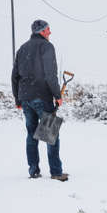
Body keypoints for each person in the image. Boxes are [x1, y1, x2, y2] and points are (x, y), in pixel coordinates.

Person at [12, 19, 69, 182]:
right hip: (42, 96)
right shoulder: (47, 46)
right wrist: (57, 95)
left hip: (25, 98)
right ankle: (56, 172)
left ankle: (33, 170)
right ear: (42, 31)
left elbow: (14, 76)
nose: (50, 32)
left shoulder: (22, 49)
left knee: (31, 135)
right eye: (48, 29)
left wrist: (18, 98)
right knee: (50, 133)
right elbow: (50, 75)